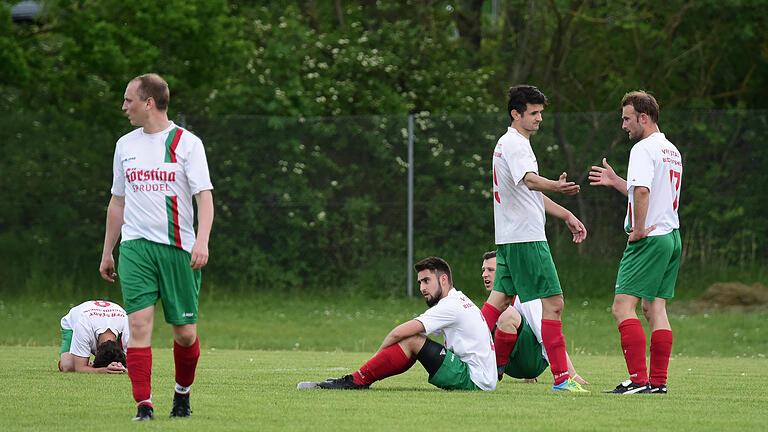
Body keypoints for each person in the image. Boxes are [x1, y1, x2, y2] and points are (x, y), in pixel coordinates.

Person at [99, 73, 214, 420]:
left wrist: (203, 241)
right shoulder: (125, 145)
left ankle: (182, 395)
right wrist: (108, 250)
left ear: (149, 102)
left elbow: (204, 198)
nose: (124, 107)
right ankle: (144, 405)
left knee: (184, 334)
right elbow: (117, 202)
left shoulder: (187, 143)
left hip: (179, 248)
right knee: (139, 327)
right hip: (135, 249)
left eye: (129, 100)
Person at [479, 85, 588, 392]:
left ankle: (462, 357)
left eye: (541, 112)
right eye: (534, 113)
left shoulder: (506, 143)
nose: (540, 118)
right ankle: (562, 379)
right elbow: (530, 181)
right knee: (554, 303)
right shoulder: (516, 144)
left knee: (496, 303)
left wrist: (565, 214)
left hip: (510, 239)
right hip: (527, 240)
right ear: (516, 114)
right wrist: (556, 185)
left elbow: (528, 193)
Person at [589, 90, 681, 395]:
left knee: (621, 307)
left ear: (643, 117)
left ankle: (639, 380)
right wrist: (618, 182)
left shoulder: (643, 149)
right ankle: (657, 382)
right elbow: (649, 192)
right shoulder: (671, 149)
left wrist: (638, 230)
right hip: (671, 237)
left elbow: (642, 192)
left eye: (627, 119)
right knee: (655, 308)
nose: (624, 125)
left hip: (649, 238)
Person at [298, 257, 497, 392]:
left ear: (443, 279)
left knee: (412, 339)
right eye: (420, 282)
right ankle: (360, 378)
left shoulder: (450, 306)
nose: (422, 288)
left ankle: (356, 380)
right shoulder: (459, 299)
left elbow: (398, 333)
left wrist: (371, 364)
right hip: (482, 378)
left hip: (473, 380)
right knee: (414, 341)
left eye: (426, 281)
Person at [481, 251, 587, 385]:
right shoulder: (495, 300)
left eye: (490, 270)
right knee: (481, 321)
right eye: (484, 270)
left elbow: (547, 337)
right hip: (512, 364)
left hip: (531, 362)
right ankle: (486, 370)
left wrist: (572, 375)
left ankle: (494, 370)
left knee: (507, 314)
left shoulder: (526, 297)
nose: (484, 274)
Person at [59, 300, 129, 374]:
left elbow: (138, 364)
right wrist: (103, 370)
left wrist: (123, 369)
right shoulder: (83, 326)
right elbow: (79, 368)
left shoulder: (128, 326)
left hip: (98, 316)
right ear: (96, 352)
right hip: (72, 325)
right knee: (69, 367)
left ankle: (89, 364)